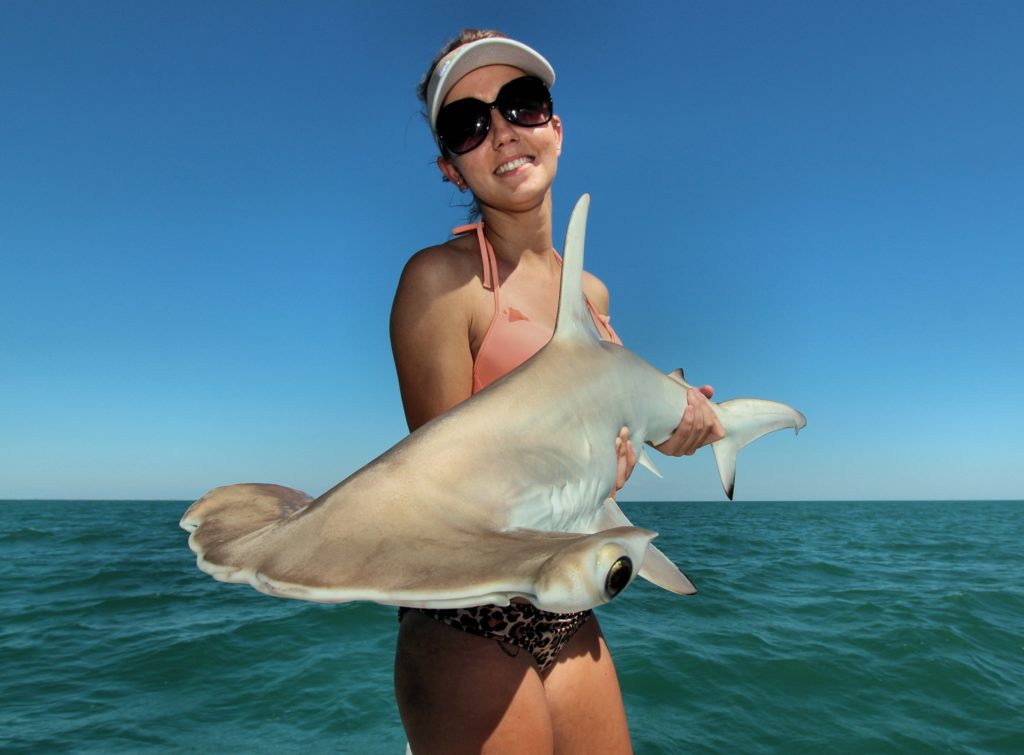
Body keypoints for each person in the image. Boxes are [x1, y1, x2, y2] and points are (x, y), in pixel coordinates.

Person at [389, 29, 725, 754]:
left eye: (522, 102)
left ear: (557, 126)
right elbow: (445, 500)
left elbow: (631, 427)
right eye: (467, 123)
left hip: (572, 606)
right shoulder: (440, 284)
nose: (503, 130)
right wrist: (585, 477)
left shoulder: (594, 294)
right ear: (451, 167)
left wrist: (686, 424)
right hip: (468, 619)